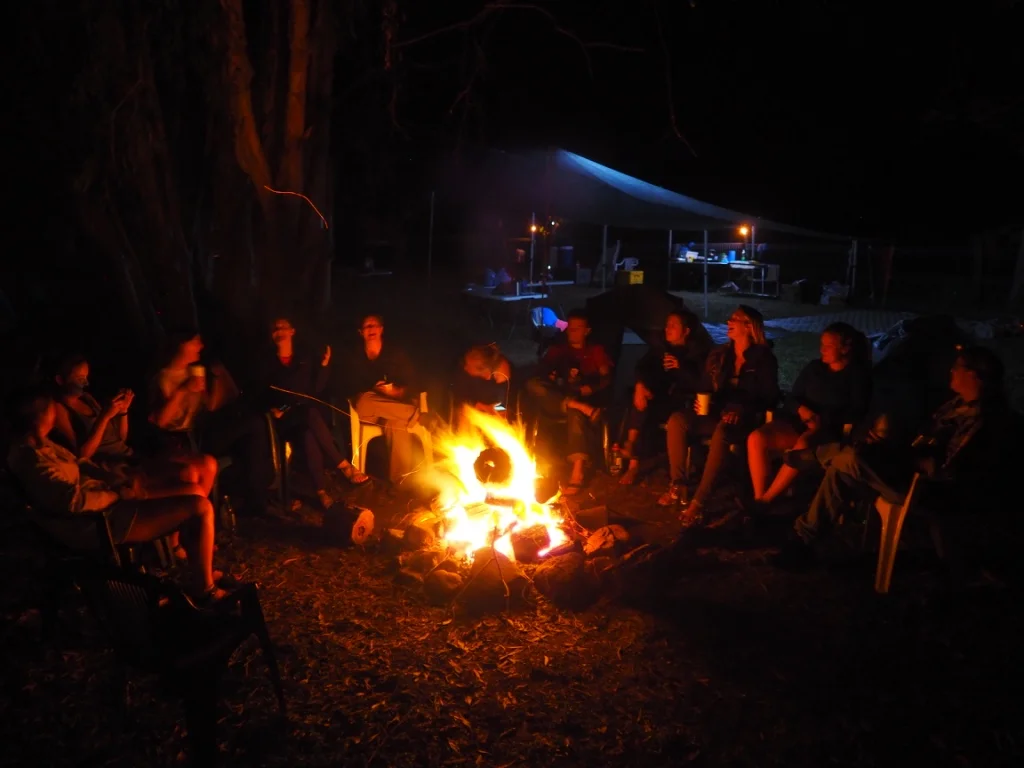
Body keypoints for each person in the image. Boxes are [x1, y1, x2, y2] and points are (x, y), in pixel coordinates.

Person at [776, 346, 1006, 568]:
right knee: (843, 469)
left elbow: (946, 470)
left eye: (957, 367)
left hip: (928, 490)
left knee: (853, 458)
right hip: (908, 470)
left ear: (973, 375)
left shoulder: (980, 420)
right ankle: (802, 540)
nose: (951, 371)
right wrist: (891, 447)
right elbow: (924, 439)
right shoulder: (956, 405)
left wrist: (902, 456)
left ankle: (818, 456)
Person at [7, 386, 226, 603]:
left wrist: (114, 478)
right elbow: (74, 500)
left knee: (192, 491)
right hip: (96, 523)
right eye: (50, 409)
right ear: (41, 416)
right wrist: (118, 493)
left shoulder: (42, 444)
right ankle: (205, 591)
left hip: (106, 507)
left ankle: (198, 568)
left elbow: (79, 464)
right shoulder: (31, 459)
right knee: (200, 508)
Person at [53, 353, 217, 564]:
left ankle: (184, 538)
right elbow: (82, 455)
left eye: (86, 377)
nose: (84, 382)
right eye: (78, 377)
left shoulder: (87, 398)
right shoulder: (59, 409)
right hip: (113, 468)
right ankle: (180, 539)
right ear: (60, 380)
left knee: (204, 465)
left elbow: (120, 439)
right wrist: (105, 416)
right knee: (191, 482)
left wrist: (123, 413)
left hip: (129, 457)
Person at [660, 305, 779, 525]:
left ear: (749, 326)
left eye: (735, 319)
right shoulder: (721, 355)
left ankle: (699, 501)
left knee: (723, 431)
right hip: (717, 412)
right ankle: (678, 484)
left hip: (745, 418)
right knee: (678, 420)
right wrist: (702, 400)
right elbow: (705, 385)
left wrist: (742, 408)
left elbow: (770, 396)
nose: (728, 322)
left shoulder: (764, 359)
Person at [745, 323, 871, 505]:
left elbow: (857, 411)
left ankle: (766, 502)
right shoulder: (814, 369)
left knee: (803, 444)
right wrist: (801, 409)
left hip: (828, 430)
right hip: (798, 421)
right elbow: (792, 397)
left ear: (844, 349)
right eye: (822, 344)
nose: (822, 350)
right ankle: (760, 497)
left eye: (828, 346)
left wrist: (822, 420)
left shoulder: (857, 376)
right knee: (757, 438)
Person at [149, 329, 270, 516]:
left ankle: (256, 499)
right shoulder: (162, 378)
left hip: (200, 434)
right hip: (175, 440)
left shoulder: (194, 372)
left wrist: (220, 375)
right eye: (195, 342)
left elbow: (212, 406)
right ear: (181, 344)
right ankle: (214, 508)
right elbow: (159, 421)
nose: (201, 346)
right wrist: (183, 390)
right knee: (251, 428)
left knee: (254, 424)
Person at [263, 317, 369, 509]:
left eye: (283, 327)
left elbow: (315, 390)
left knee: (308, 433)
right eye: (275, 328)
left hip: (304, 416)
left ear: (292, 331)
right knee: (310, 415)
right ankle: (344, 466)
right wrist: (271, 408)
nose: (279, 331)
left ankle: (321, 492)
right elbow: (263, 392)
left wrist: (324, 367)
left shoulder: (302, 359)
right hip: (284, 419)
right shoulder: (268, 362)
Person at [524, 309, 613, 495]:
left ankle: (578, 472)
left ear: (587, 331)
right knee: (533, 385)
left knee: (575, 412)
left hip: (584, 400)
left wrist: (592, 387)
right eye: (570, 328)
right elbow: (541, 373)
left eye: (577, 328)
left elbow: (606, 377)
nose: (571, 332)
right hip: (558, 400)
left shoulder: (595, 351)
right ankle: (574, 404)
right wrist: (551, 374)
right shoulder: (558, 350)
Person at [620, 310, 709, 485]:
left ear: (686, 330)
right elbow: (642, 367)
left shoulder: (697, 352)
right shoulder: (661, 348)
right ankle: (633, 455)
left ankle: (633, 453)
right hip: (659, 399)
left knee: (648, 405)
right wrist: (640, 385)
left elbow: (702, 383)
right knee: (641, 396)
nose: (667, 329)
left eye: (673, 325)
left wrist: (680, 367)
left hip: (684, 404)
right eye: (667, 325)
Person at [345, 314, 422, 483]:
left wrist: (396, 392)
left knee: (396, 424)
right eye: (367, 326)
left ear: (381, 329)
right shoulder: (355, 356)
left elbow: (412, 384)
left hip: (392, 410)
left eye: (374, 325)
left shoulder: (395, 354)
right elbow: (349, 388)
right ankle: (414, 414)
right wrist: (373, 390)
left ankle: (401, 483)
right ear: (361, 332)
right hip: (366, 410)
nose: (371, 329)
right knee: (365, 400)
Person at [452, 344, 512, 429]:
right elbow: (459, 398)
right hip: (471, 414)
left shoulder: (502, 378)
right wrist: (478, 406)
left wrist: (496, 410)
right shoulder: (464, 375)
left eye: (468, 365)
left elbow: (502, 405)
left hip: (489, 418)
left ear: (483, 369)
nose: (465, 367)